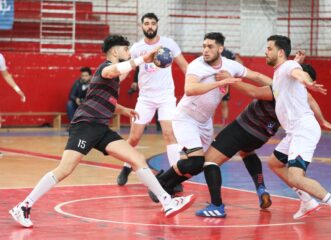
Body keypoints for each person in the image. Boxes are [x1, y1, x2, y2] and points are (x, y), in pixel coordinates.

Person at [8, 35, 195, 228]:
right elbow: (112, 71)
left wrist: (123, 110)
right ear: (114, 51)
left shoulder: (113, 81)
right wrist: (141, 59)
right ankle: (23, 206)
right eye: (125, 49)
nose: (128, 52)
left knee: (137, 158)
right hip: (85, 126)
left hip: (101, 129)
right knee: (64, 170)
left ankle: (167, 202)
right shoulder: (104, 67)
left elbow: (107, 101)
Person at [195, 61, 331, 218]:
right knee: (256, 156)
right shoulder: (301, 93)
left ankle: (216, 205)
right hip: (264, 134)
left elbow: (254, 91)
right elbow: (311, 99)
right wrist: (322, 120)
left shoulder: (280, 90)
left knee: (210, 161)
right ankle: (267, 189)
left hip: (247, 126)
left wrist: (231, 80)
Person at [147, 32, 272, 204]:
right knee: (196, 161)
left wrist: (280, 87)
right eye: (204, 46)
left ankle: (168, 185)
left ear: (220, 49)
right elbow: (189, 89)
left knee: (202, 164)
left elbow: (256, 76)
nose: (205, 50)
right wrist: (220, 83)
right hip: (186, 117)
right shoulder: (196, 65)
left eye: (210, 46)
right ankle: (160, 184)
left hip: (205, 122)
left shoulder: (230, 65)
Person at [263, 35, 331, 235]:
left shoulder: (287, 67)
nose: (265, 51)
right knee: (274, 163)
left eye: (269, 48)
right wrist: (322, 120)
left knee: (296, 176)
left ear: (280, 53)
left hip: (303, 130)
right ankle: (307, 201)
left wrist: (309, 81)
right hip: (293, 132)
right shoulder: (282, 70)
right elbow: (293, 71)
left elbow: (297, 73)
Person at [117, 12, 188, 186]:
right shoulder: (136, 48)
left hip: (166, 97)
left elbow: (185, 66)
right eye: (146, 23)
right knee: (134, 138)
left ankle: (175, 177)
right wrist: (112, 79)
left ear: (157, 25)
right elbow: (126, 71)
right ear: (141, 26)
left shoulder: (169, 44)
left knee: (169, 134)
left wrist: (197, 83)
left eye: (153, 23)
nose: (150, 26)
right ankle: (126, 167)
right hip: (145, 99)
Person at [219, 48, 242, 126]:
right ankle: (223, 125)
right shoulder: (228, 52)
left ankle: (224, 125)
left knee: (223, 104)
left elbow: (240, 62)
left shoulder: (228, 52)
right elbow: (240, 62)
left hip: (223, 82)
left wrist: (233, 72)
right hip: (215, 83)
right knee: (220, 105)